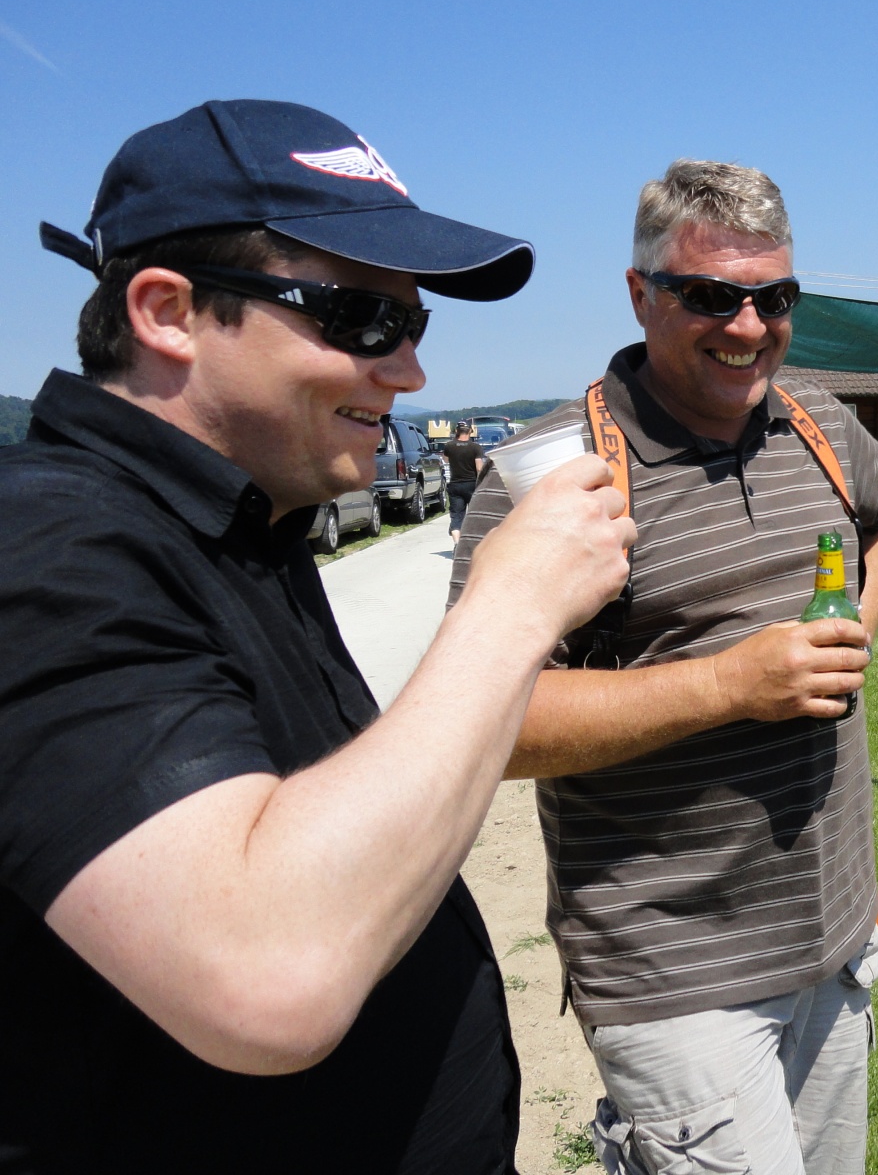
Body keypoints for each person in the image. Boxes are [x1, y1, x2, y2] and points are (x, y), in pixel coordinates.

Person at [0, 100, 635, 1174]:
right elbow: (268, 973)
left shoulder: (247, 515)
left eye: (417, 326)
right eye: (365, 321)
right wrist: (515, 603)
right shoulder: (47, 545)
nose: (410, 372)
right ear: (167, 312)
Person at [449, 158, 878, 1175]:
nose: (749, 326)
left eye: (775, 298)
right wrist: (728, 685)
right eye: (710, 296)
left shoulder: (815, 422)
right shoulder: (561, 473)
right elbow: (487, 724)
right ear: (640, 294)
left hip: (834, 941)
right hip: (676, 976)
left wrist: (856, 627)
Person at [443, 419, 487, 536]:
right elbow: (479, 468)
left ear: (456, 431)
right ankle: (474, 539)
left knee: (456, 517)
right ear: (470, 431)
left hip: (455, 485)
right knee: (475, 514)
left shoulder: (449, 446)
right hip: (472, 485)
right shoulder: (475, 447)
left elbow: (445, 460)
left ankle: (456, 543)